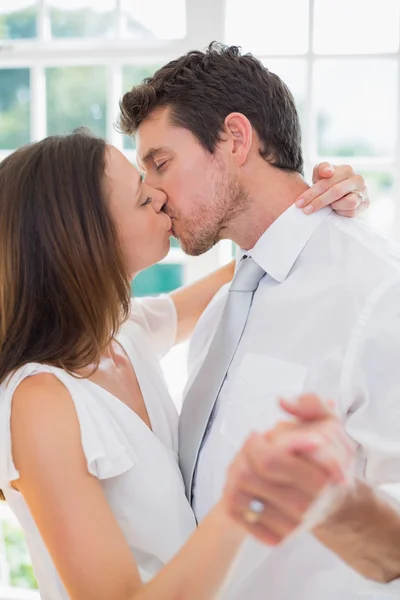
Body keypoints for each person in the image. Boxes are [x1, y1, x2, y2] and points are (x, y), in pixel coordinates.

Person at [0, 130, 358, 600]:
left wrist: (317, 207)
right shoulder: (40, 402)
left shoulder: (121, 334)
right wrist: (243, 499)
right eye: (140, 195)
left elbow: (256, 263)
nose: (160, 195)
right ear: (82, 237)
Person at [118, 42, 400, 600]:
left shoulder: (376, 293)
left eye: (161, 162)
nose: (151, 190)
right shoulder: (225, 305)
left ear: (236, 139)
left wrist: (336, 503)